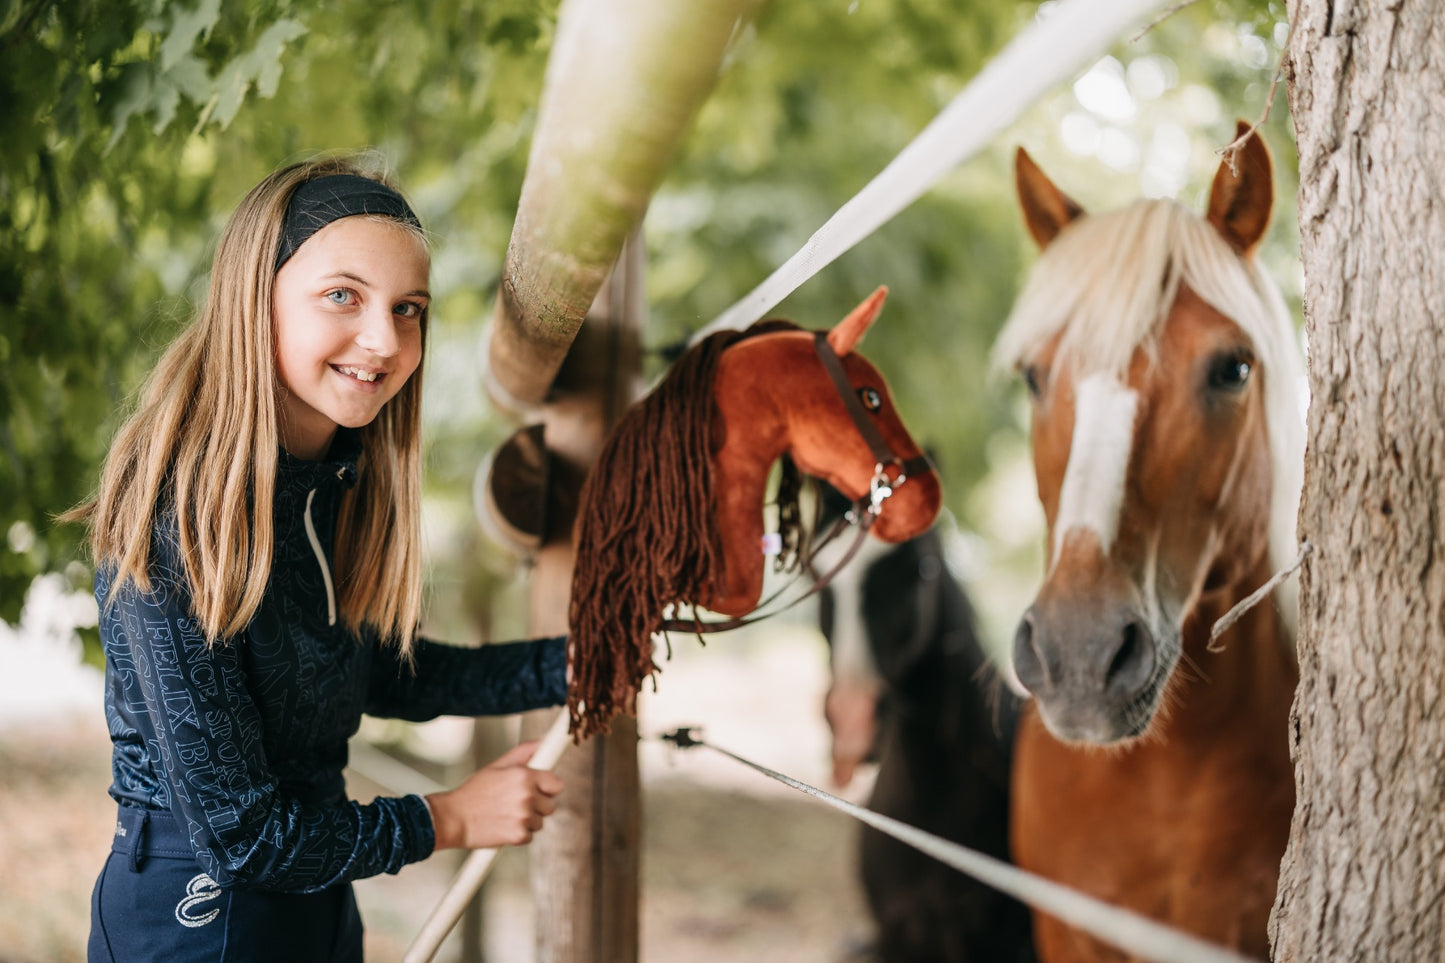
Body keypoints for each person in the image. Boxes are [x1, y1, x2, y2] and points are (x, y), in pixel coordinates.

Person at [66, 157, 567, 962]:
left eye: (408, 309)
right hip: (198, 921)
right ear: (252, 299)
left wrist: (582, 662)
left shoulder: (327, 487)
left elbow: (375, 673)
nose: (385, 340)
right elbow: (241, 834)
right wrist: (453, 817)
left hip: (319, 907)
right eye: (343, 295)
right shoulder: (175, 519)